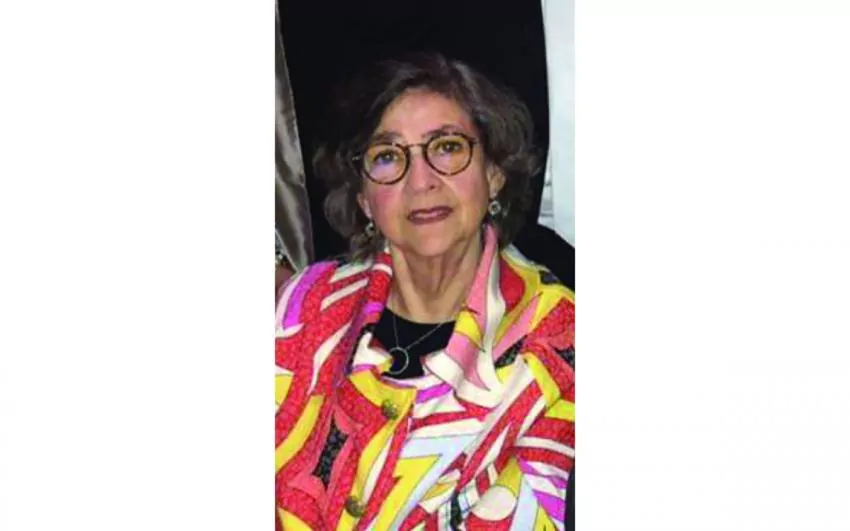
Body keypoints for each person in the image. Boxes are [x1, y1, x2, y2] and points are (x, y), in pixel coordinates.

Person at [276, 53, 574, 530]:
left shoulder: (561, 344)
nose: (421, 181)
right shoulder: (306, 305)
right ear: (363, 198)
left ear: (494, 173)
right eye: (388, 156)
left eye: (447, 147)